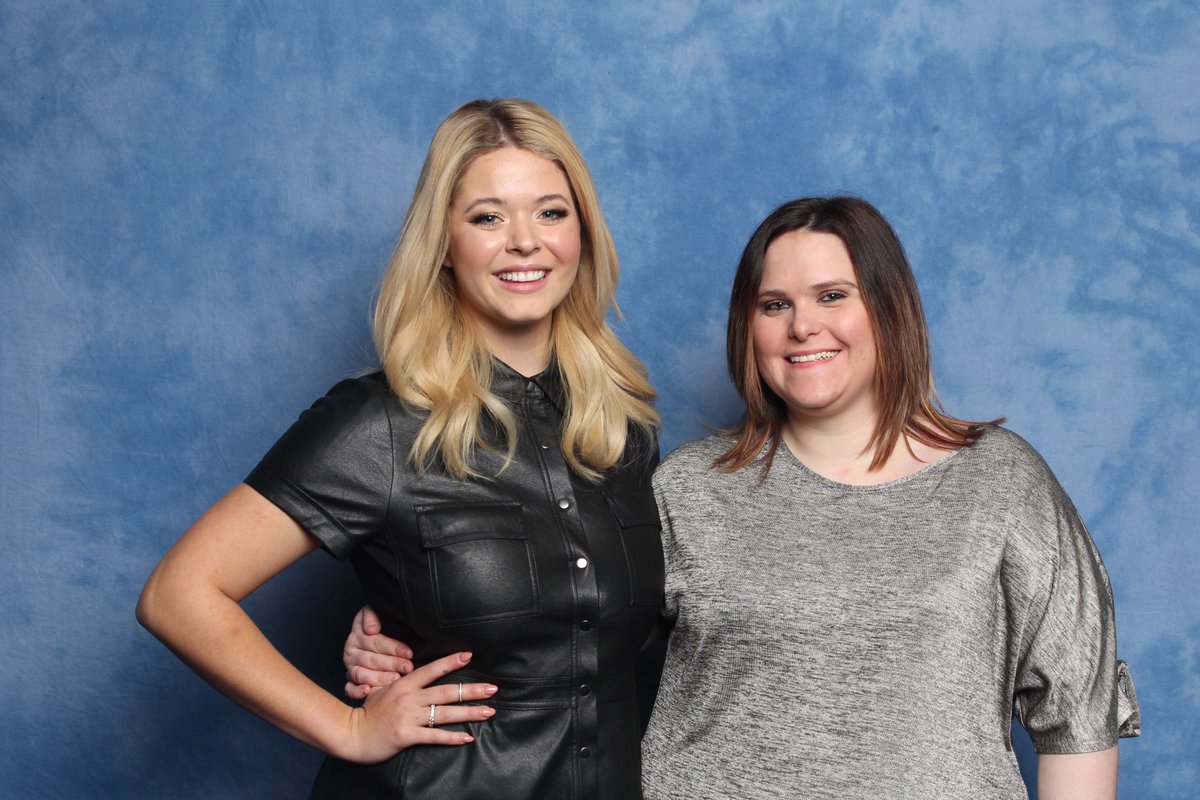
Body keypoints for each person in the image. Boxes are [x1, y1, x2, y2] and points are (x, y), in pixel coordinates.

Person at [347, 196, 1140, 799]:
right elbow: (569, 622)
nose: (803, 327)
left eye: (834, 296)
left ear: (888, 310)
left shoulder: (1000, 482)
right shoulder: (689, 487)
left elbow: (1077, 706)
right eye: (774, 305)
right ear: (749, 328)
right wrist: (405, 626)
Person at [137, 97, 664, 800]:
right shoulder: (376, 424)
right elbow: (180, 595)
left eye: (550, 211)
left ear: (583, 234)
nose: (524, 241)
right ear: (444, 244)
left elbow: (632, 627)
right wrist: (347, 727)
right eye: (487, 217)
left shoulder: (624, 428)